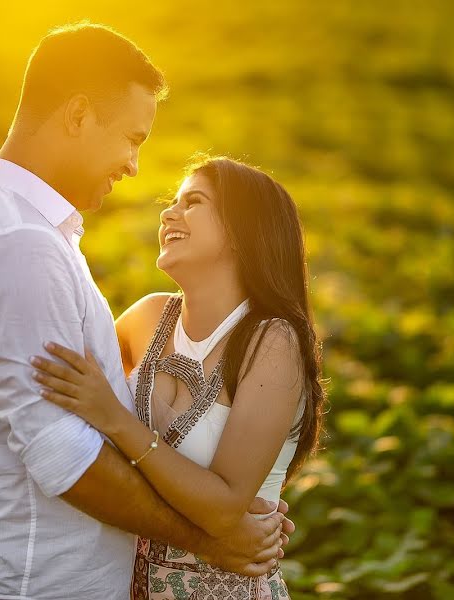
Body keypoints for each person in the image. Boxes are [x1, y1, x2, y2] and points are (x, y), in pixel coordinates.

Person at [0, 23, 290, 600]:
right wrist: (210, 539)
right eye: (130, 137)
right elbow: (61, 455)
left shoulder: (27, 230)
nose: (134, 166)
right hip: (24, 582)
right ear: (76, 115)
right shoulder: (20, 243)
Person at [31, 155, 326, 599]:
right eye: (174, 202)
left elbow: (225, 510)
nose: (169, 213)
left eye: (194, 202)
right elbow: (76, 397)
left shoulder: (272, 342)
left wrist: (116, 419)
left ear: (243, 229)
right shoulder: (147, 319)